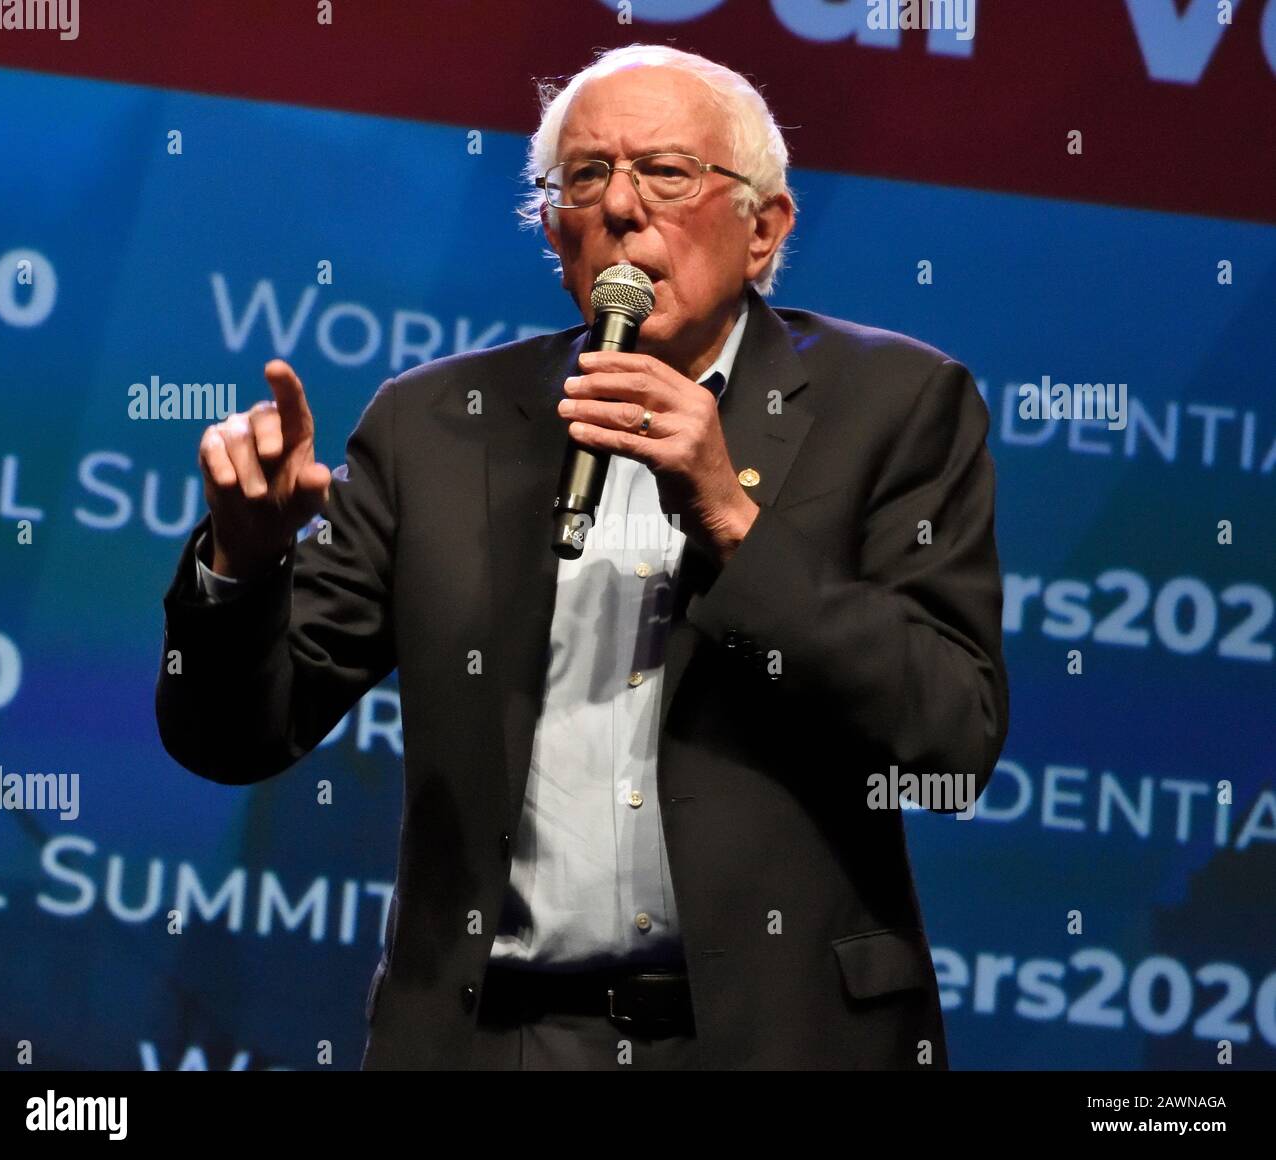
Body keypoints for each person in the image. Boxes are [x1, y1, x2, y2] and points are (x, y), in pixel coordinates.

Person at [156, 43, 1008, 1070]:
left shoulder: (895, 407)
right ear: (556, 232)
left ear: (764, 229)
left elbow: (952, 737)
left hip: (773, 1036)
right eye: (585, 177)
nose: (620, 205)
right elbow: (233, 736)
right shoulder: (438, 425)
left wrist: (734, 526)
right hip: (494, 1037)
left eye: (666, 172)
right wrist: (242, 568)